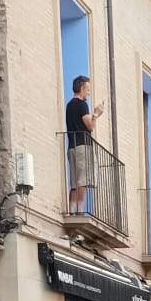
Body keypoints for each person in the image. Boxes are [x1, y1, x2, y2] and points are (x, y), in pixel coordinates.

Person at [65, 75, 103, 212]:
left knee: (74, 182)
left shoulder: (69, 105)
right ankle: (80, 210)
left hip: (72, 147)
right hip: (83, 147)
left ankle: (71, 209)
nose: (89, 92)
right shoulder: (82, 105)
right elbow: (90, 126)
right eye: (87, 89)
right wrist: (97, 114)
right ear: (81, 89)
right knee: (83, 180)